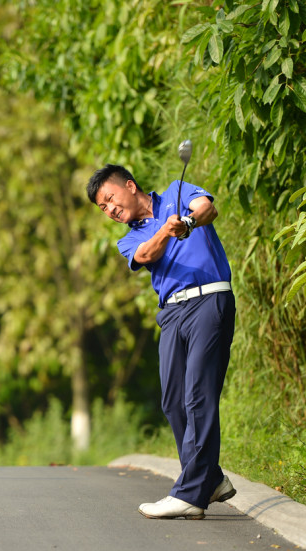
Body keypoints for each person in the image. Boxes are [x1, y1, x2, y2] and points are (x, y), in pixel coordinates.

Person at [87, 163, 237, 519]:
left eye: (110, 199)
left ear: (129, 185)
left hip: (209, 300)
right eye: (103, 208)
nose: (110, 210)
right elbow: (145, 255)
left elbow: (207, 208)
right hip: (171, 313)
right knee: (173, 401)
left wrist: (187, 222)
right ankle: (211, 480)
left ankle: (190, 494)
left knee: (198, 395)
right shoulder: (129, 239)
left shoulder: (175, 192)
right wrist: (168, 232)